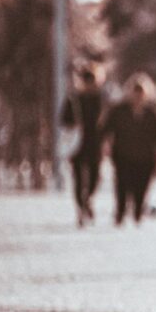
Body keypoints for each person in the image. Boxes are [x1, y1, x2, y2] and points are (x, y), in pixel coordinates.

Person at [101, 74, 156, 226]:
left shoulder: (151, 113)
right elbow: (105, 129)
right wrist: (106, 146)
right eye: (135, 91)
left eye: (140, 92)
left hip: (145, 157)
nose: (137, 96)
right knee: (122, 185)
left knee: (141, 186)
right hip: (123, 155)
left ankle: (137, 212)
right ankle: (120, 212)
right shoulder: (119, 111)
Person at [60, 66, 105, 226]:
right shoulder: (74, 99)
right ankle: (80, 208)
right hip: (77, 144)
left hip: (94, 143)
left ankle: (87, 200)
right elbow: (63, 120)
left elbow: (106, 123)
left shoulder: (100, 99)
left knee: (94, 176)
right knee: (78, 178)